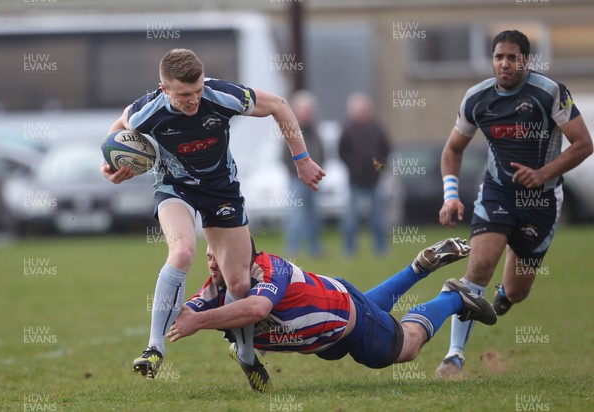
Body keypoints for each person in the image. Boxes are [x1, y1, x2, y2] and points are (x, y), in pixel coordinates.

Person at [101, 48, 325, 381]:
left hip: (222, 191)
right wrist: (114, 165)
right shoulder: (146, 111)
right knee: (182, 252)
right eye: (183, 95)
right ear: (165, 90)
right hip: (174, 187)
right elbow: (118, 132)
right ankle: (154, 348)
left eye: (197, 91)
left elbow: (279, 105)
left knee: (238, 280)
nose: (193, 100)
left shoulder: (221, 95)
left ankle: (246, 354)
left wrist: (301, 159)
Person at [435, 30, 593, 379]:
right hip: (497, 193)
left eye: (512, 57)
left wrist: (543, 174)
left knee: (518, 291)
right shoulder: (477, 98)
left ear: (526, 60)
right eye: (498, 57)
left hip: (541, 200)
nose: (504, 64)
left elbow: (584, 144)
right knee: (478, 268)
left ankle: (505, 292)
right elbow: (452, 150)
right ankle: (454, 356)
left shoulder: (551, 92)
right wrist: (450, 196)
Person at [165, 237, 497, 392]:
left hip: (344, 320)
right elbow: (184, 312)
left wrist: (198, 322)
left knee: (406, 346)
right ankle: (417, 268)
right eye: (208, 255)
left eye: (217, 254)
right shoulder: (216, 286)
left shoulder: (268, 269)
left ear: (244, 254)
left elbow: (257, 308)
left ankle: (451, 298)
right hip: (331, 328)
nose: (211, 262)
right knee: (367, 309)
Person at [338, 93, 391, 255]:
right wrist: (352, 167)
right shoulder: (347, 130)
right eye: (359, 110)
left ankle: (381, 249)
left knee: (378, 218)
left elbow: (387, 150)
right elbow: (342, 152)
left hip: (374, 180)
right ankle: (349, 249)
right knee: (351, 219)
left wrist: (380, 168)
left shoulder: (378, 129)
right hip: (355, 180)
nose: (362, 113)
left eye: (364, 109)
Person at [280, 90, 325, 256]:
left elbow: (322, 153)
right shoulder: (291, 131)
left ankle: (315, 248)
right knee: (295, 217)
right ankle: (292, 248)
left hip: (313, 181)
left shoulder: (315, 131)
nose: (307, 114)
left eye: (309, 110)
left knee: (314, 216)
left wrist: (315, 172)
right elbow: (284, 157)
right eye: (304, 110)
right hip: (296, 180)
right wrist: (300, 172)